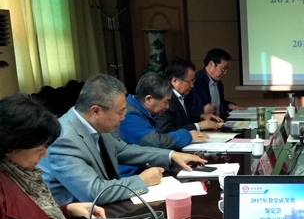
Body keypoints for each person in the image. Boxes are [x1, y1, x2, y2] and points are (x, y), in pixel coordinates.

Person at [39, 74, 206, 205]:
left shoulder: (95, 124)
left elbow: (122, 149)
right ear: (96, 111)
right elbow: (94, 192)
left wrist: (171, 155)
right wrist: (141, 181)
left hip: (105, 207)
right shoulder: (63, 139)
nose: (123, 118)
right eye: (120, 112)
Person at [115, 72, 209, 177]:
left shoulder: (138, 110)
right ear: (148, 99)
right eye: (165, 102)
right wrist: (187, 135)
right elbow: (156, 142)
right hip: (131, 175)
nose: (167, 106)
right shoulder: (129, 115)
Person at [156, 56, 223, 133]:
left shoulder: (180, 96)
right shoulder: (165, 101)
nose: (192, 85)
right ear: (174, 81)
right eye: (190, 82)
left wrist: (202, 116)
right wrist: (198, 126)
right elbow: (166, 130)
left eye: (193, 81)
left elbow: (184, 117)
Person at [185, 48, 246, 119]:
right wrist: (202, 110)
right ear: (211, 64)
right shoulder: (194, 81)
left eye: (226, 70)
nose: (225, 73)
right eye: (223, 69)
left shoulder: (217, 82)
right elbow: (183, 107)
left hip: (219, 122)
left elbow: (218, 102)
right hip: (203, 123)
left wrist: (230, 105)